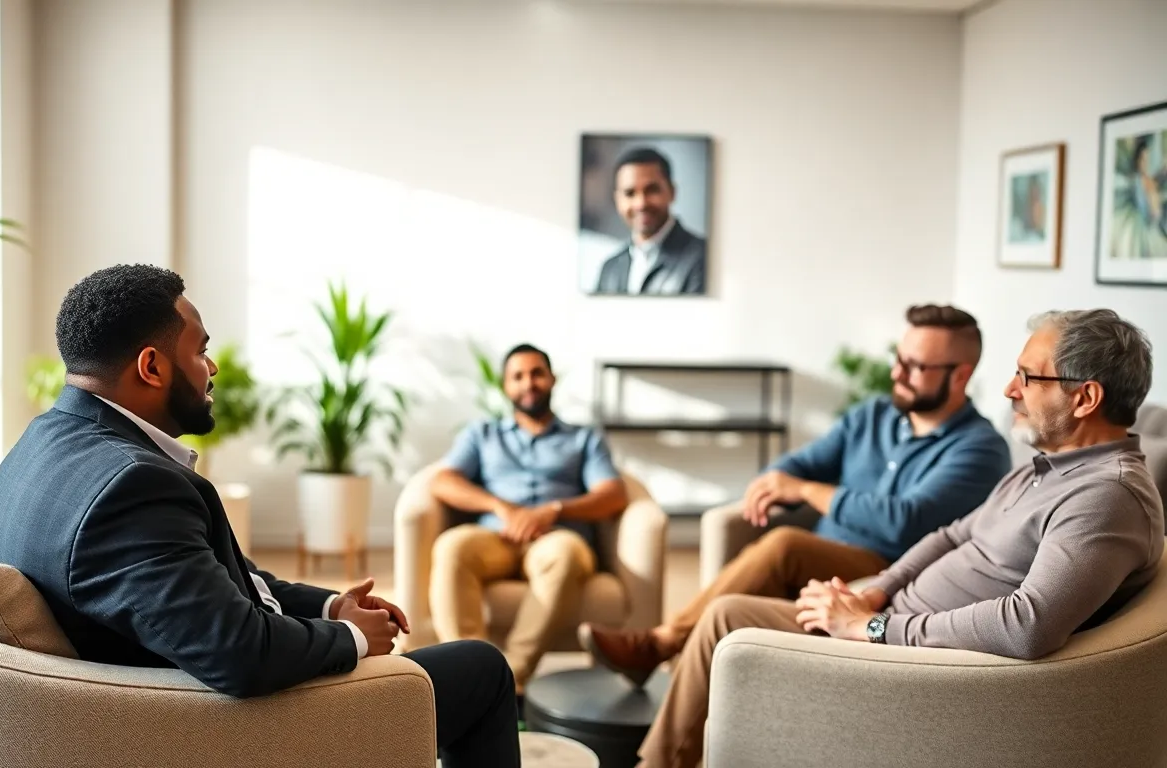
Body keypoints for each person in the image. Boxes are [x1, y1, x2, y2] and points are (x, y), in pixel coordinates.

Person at [0, 264, 520, 768]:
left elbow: (211, 576)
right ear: (152, 366)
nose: (211, 369)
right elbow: (239, 654)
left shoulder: (41, 445)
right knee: (482, 669)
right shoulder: (134, 487)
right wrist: (351, 634)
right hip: (217, 734)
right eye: (200, 351)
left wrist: (328, 603)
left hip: (147, 700)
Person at [632, 308, 1162, 768]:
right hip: (890, 622)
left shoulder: (1105, 498)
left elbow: (1028, 626)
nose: (1009, 389)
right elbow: (951, 533)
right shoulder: (1045, 468)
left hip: (914, 667)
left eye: (1028, 376)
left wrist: (876, 626)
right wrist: (875, 592)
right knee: (725, 613)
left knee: (735, 625)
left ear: (1085, 398)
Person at [580, 304, 1013, 684]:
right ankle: (694, 662)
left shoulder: (980, 447)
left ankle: (659, 643)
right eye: (899, 359)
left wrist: (804, 489)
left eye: (916, 366)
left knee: (786, 545)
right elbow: (798, 464)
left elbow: (903, 520)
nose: (897, 373)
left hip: (890, 573)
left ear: (961, 375)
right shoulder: (873, 415)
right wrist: (776, 482)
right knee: (779, 550)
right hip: (824, 550)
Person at [428, 343, 628, 702]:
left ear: (551, 379)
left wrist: (553, 510)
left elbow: (613, 495)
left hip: (557, 538)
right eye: (517, 376)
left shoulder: (584, 438)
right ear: (506, 386)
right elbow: (443, 481)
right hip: (496, 537)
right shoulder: (482, 434)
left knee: (565, 555)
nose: (528, 383)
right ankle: (469, 673)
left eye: (537, 373)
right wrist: (503, 508)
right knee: (451, 547)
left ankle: (508, 683)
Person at [594, 147, 707, 296]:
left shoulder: (703, 258)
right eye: (630, 193)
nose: (641, 203)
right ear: (617, 200)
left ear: (672, 192)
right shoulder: (610, 269)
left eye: (652, 190)